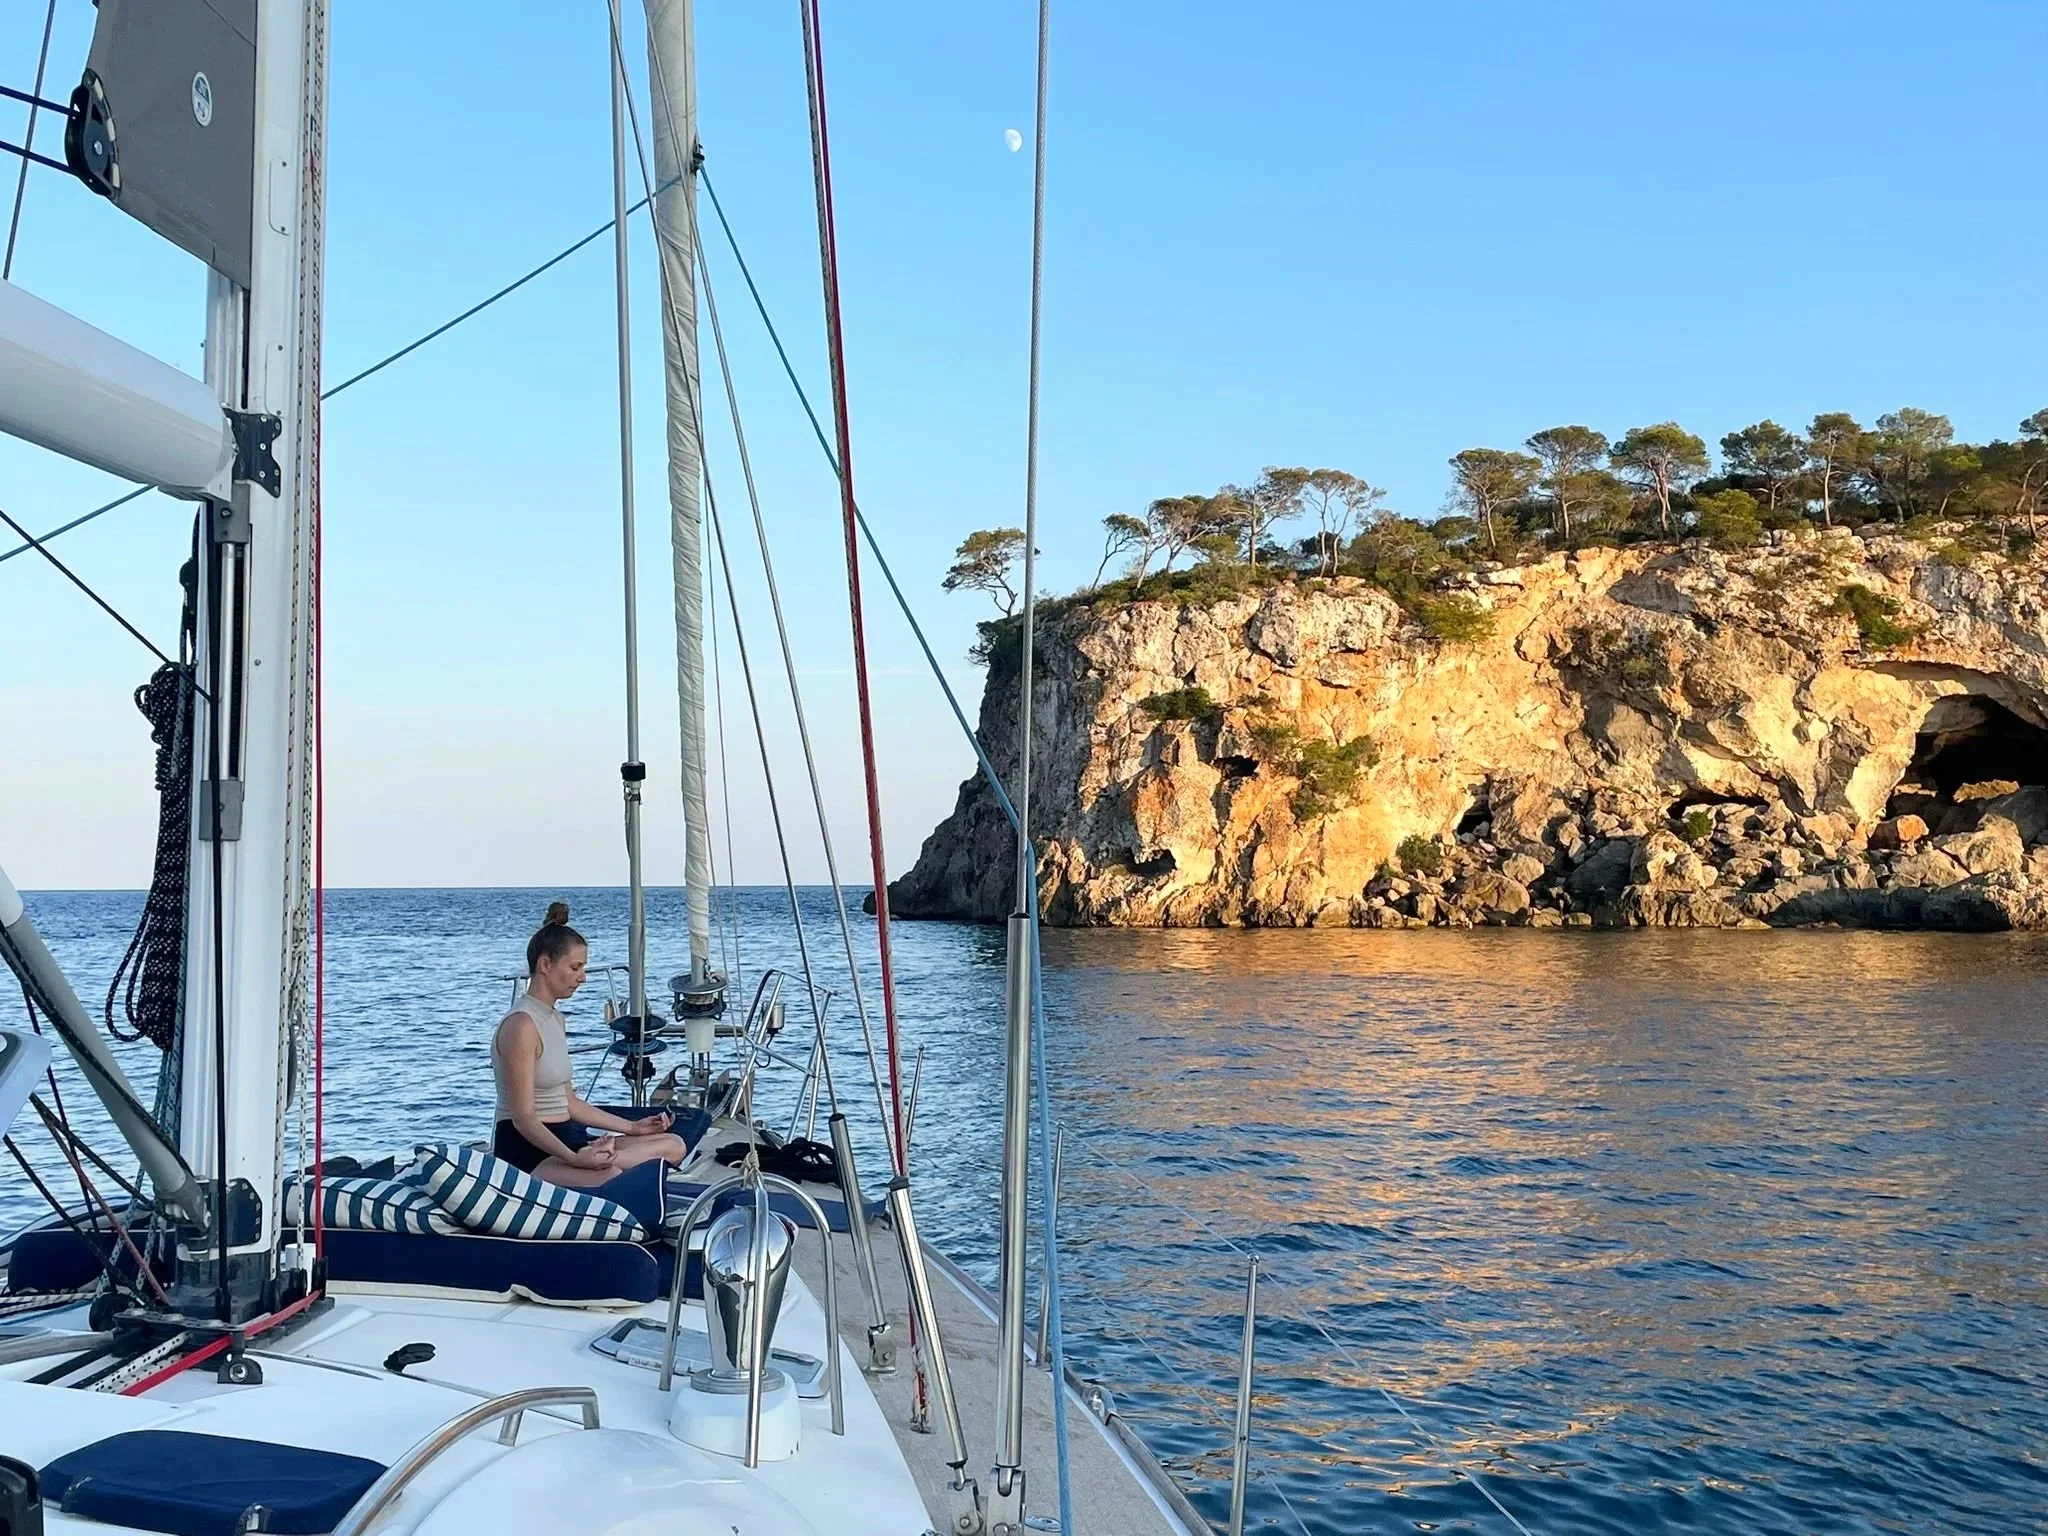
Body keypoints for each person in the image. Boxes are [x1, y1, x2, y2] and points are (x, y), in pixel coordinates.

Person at [491, 902, 689, 1188]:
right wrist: (575, 1158)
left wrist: (632, 1128)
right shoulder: (521, 1025)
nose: (582, 977)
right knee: (611, 1177)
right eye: (575, 967)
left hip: (568, 1139)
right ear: (545, 965)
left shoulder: (554, 1018)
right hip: (530, 1152)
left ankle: (592, 1163)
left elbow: (569, 1103)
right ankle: (585, 1170)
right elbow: (524, 1119)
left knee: (673, 1145)